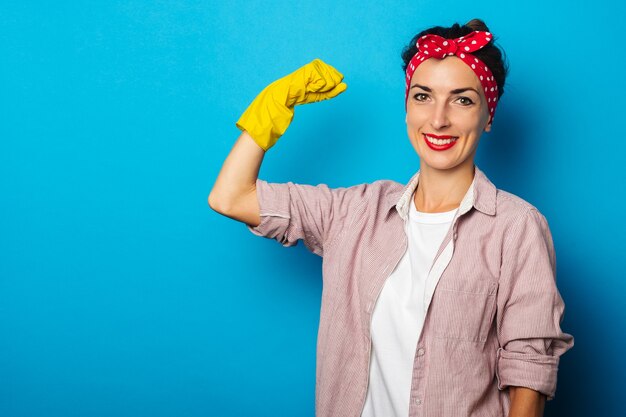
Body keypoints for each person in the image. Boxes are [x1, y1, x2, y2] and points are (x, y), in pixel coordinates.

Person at [209, 18, 573, 417]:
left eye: (462, 99)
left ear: (488, 116)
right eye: (423, 96)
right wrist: (268, 112)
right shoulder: (353, 212)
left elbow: (529, 370)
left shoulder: (516, 227)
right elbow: (230, 197)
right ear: (406, 109)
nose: (438, 119)